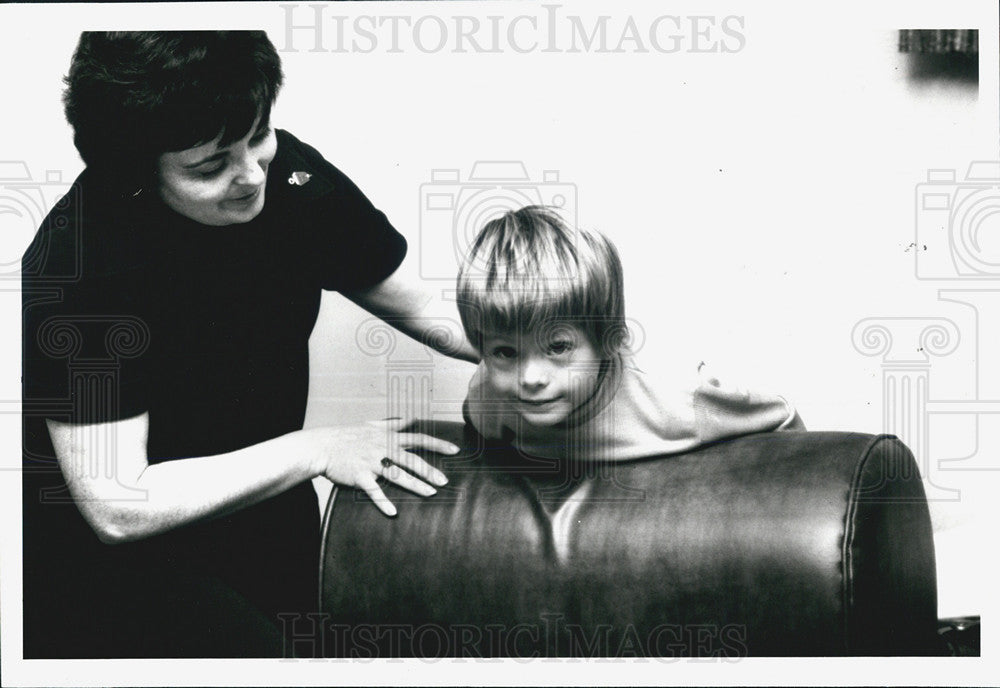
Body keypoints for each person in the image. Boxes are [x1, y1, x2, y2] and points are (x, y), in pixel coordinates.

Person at [21, 31, 476, 658]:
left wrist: (547, 348)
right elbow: (118, 507)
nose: (250, 175)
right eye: (210, 167)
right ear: (134, 173)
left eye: (258, 135)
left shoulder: (289, 178)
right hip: (119, 572)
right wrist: (317, 448)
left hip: (264, 519)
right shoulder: (79, 266)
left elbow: (424, 306)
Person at [458, 205, 803, 461]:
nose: (530, 378)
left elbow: (783, 418)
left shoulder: (677, 399)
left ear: (609, 341)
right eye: (505, 353)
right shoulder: (487, 399)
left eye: (558, 347)